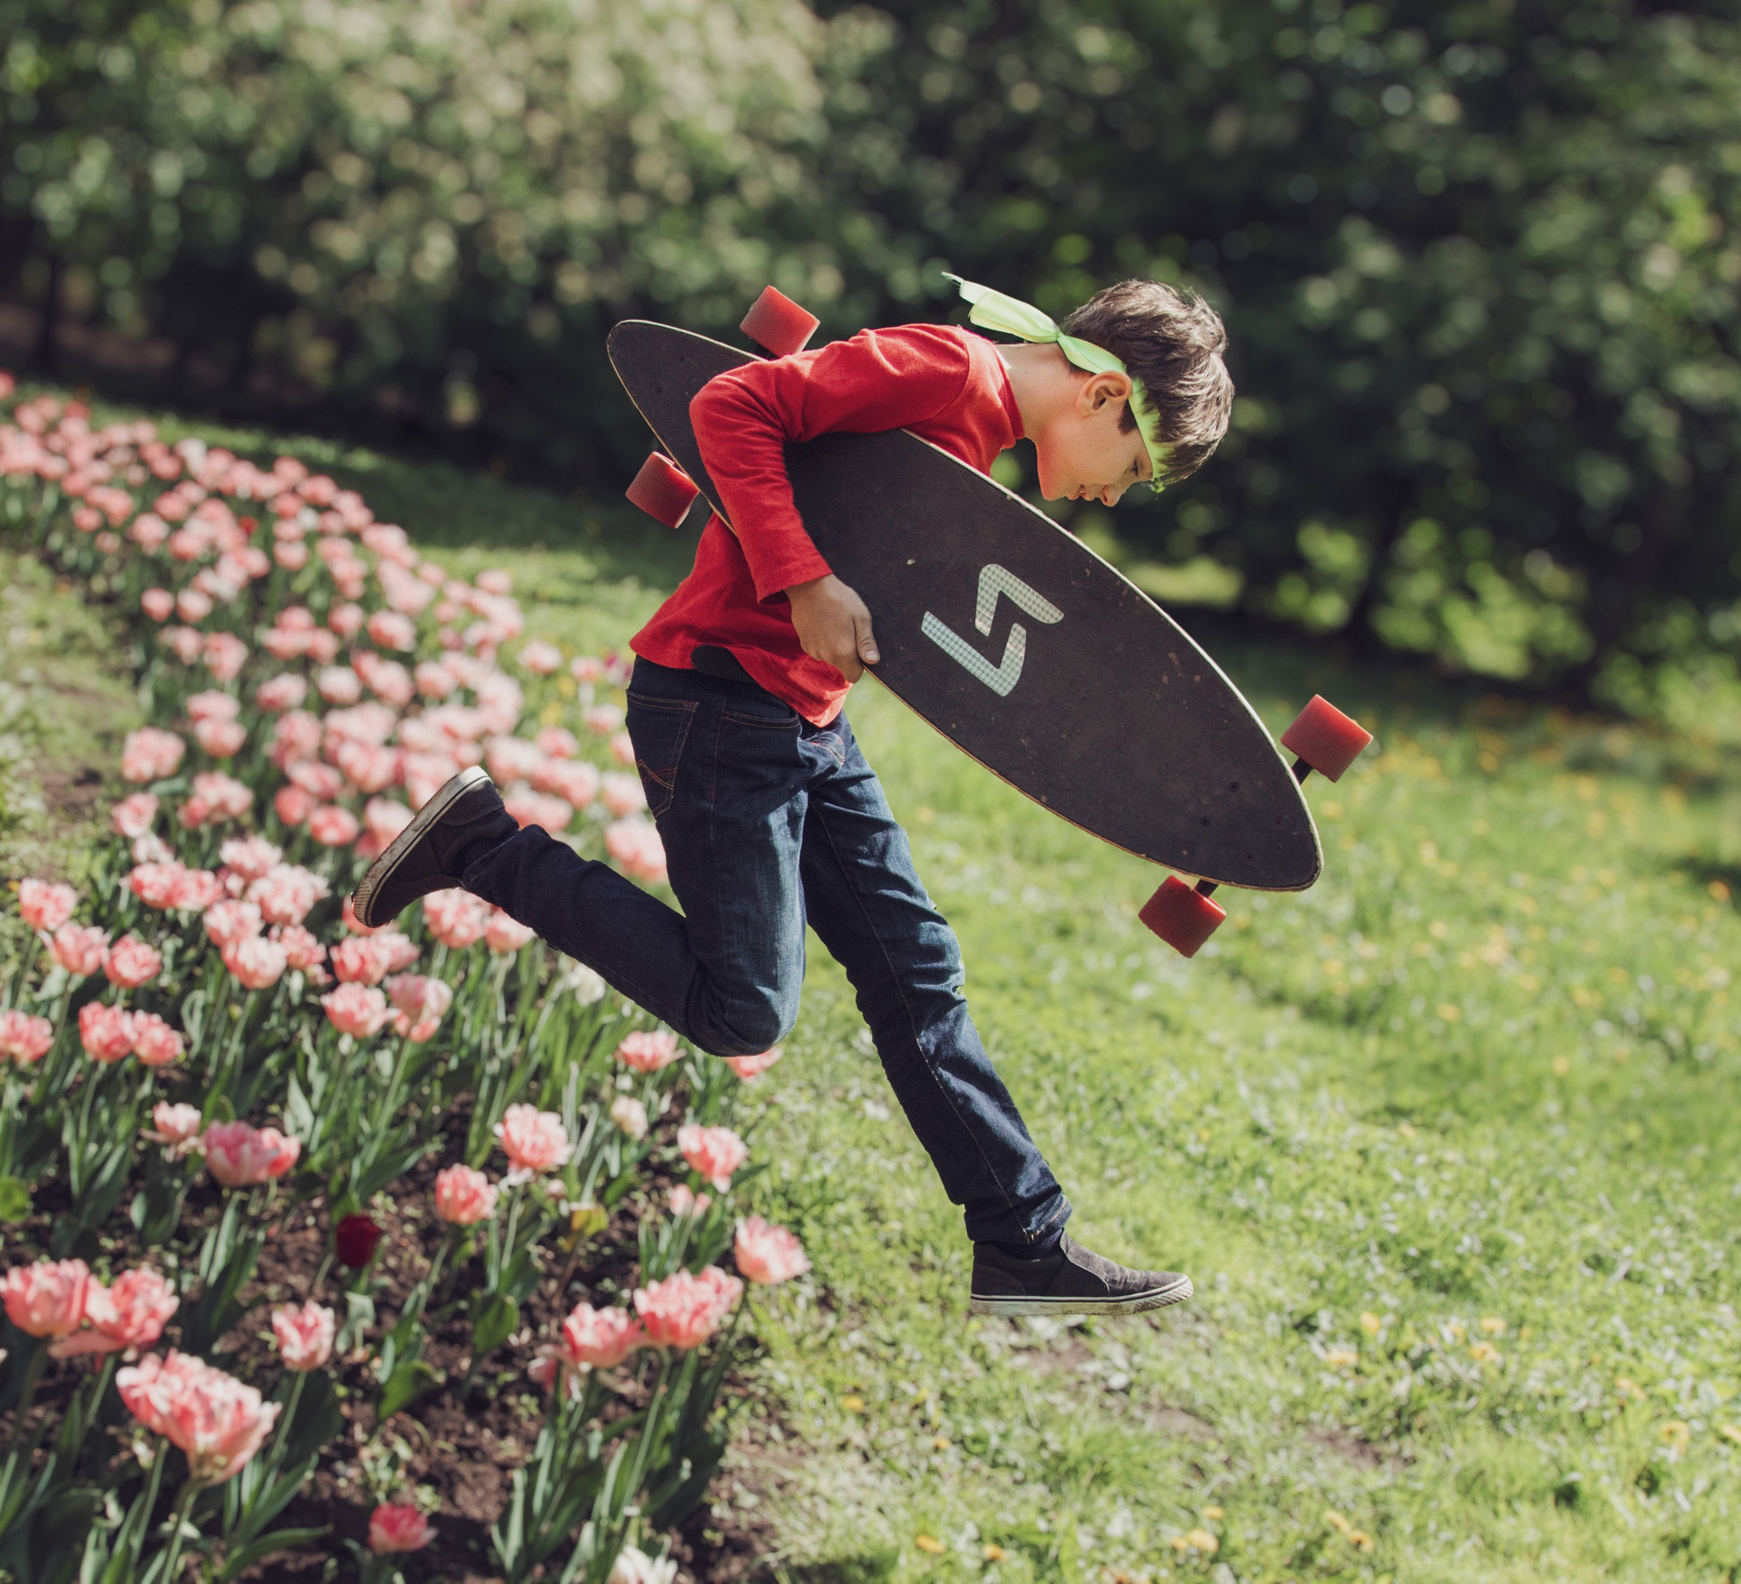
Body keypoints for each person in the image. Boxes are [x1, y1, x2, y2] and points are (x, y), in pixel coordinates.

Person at [351, 275, 1235, 1316]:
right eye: (1131, 469)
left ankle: (1021, 1240)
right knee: (744, 1009)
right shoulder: (950, 371)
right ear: (1098, 398)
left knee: (917, 974)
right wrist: (803, 581)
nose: (1113, 494)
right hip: (721, 704)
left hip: (801, 721)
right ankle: (482, 844)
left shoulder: (982, 427)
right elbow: (730, 406)